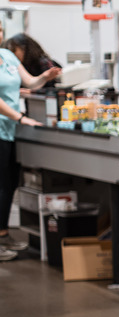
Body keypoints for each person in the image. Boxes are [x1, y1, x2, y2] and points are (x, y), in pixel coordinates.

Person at [0, 44, 60, 261]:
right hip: (5, 125)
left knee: (8, 185)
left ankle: (3, 234)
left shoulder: (6, 56)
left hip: (9, 131)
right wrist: (20, 118)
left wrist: (45, 76)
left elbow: (29, 82)